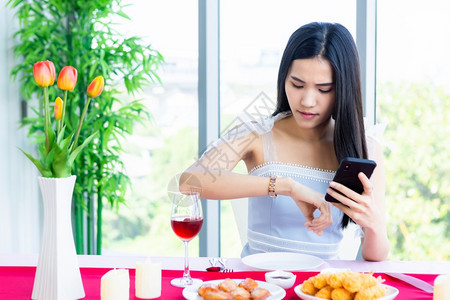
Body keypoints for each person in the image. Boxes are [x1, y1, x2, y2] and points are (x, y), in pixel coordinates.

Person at [179, 22, 389, 261]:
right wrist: (287, 187)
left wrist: (374, 225)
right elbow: (189, 182)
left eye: (324, 89)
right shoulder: (255, 133)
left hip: (321, 291)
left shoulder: (366, 147)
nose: (307, 101)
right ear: (284, 79)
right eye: (297, 85)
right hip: (259, 288)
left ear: (343, 89)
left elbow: (376, 256)